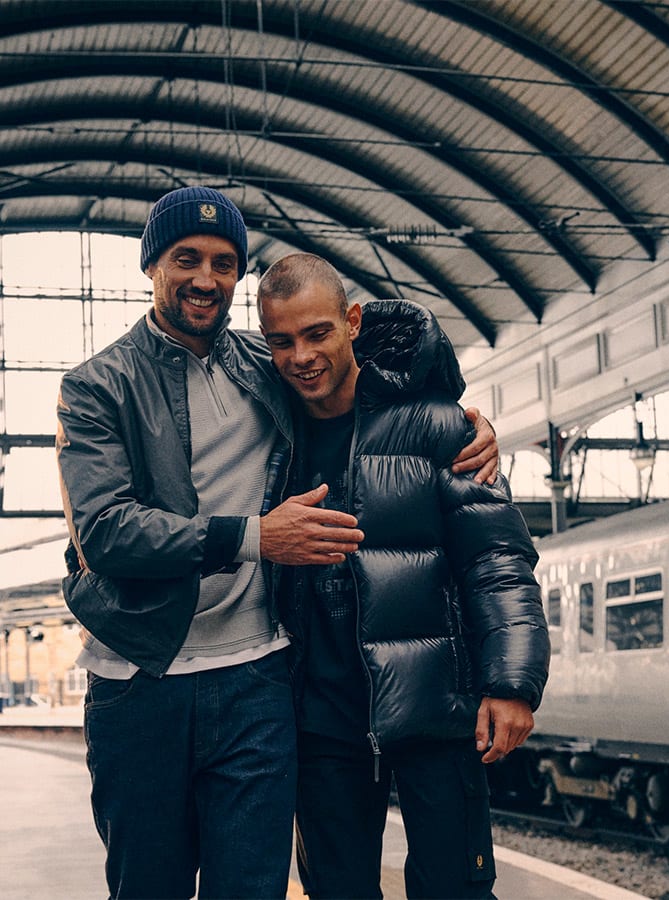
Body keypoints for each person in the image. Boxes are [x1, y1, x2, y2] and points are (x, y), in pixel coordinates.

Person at [55, 186, 498, 900]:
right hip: (141, 680)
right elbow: (105, 532)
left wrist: (457, 420)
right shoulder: (96, 387)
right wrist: (257, 537)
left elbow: (371, 354)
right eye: (186, 259)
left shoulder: (264, 363)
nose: (206, 278)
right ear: (151, 265)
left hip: (257, 678)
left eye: (224, 263)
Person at [257, 252, 550, 900]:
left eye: (317, 333)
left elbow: (496, 561)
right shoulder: (266, 436)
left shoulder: (438, 425)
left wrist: (512, 683)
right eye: (281, 341)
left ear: (353, 322)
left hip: (437, 706)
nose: (301, 356)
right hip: (319, 721)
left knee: (454, 889)